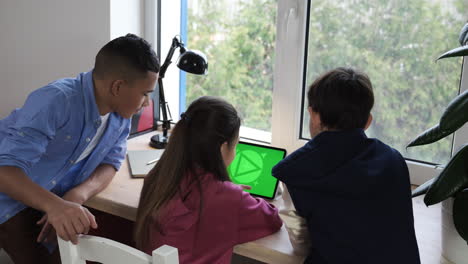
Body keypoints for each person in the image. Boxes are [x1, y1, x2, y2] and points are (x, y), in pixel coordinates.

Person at [0, 33, 159, 264]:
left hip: (51, 195)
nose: (146, 103)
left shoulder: (121, 114)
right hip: (8, 196)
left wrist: (77, 195)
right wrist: (55, 205)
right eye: (145, 94)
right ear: (117, 86)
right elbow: (5, 171)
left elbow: (111, 163)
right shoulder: (56, 100)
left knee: (80, 251)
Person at [272, 67, 421, 264]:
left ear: (314, 115)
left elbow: (300, 243)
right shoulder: (392, 160)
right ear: (368, 121)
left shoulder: (296, 172)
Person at [134, 96, 282, 264]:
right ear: (223, 148)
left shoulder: (158, 177)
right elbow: (272, 219)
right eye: (235, 145)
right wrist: (235, 194)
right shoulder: (228, 197)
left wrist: (229, 193)